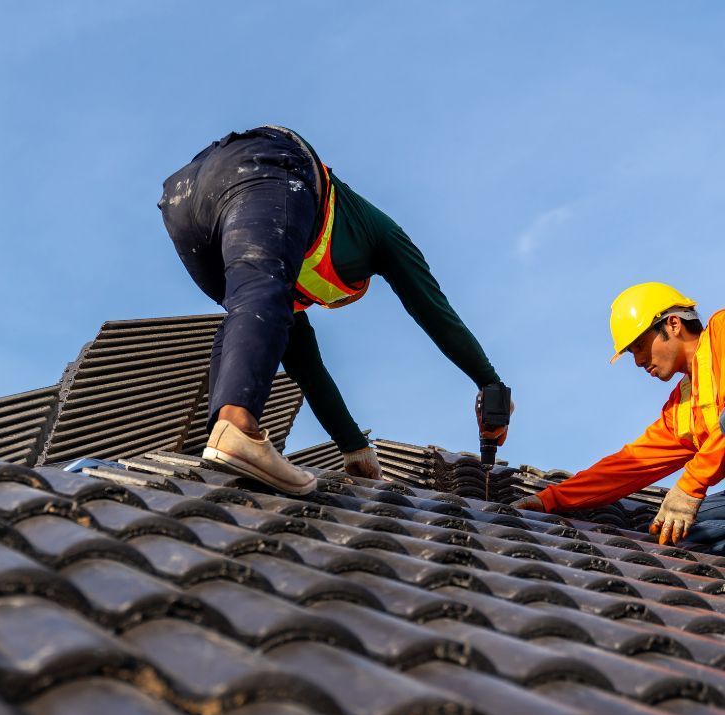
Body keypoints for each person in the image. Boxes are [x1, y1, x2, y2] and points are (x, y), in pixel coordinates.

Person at [158, 124, 512, 495]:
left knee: (247, 316)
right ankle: (236, 426)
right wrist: (489, 384)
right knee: (263, 296)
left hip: (184, 201)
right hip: (266, 164)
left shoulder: (285, 271)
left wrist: (353, 446)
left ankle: (221, 439)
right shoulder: (380, 235)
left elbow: (308, 368)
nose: (321, 303)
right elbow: (434, 310)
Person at [515, 283, 725, 552]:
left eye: (640, 345)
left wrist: (691, 485)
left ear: (673, 324)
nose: (638, 361)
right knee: (683, 533)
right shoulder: (683, 408)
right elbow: (629, 465)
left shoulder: (721, 331)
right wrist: (550, 499)